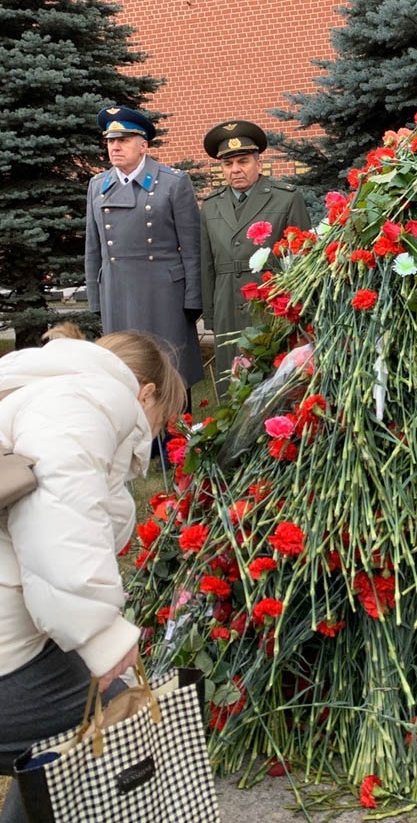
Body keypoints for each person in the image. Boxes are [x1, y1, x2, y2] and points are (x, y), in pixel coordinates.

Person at [0, 324, 186, 823]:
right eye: (161, 420)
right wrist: (102, 637)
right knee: (116, 719)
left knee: (67, 747)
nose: (157, 435)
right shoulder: (87, 401)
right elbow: (57, 519)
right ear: (144, 394)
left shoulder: (43, 388)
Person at [85, 105, 204, 393]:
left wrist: (193, 301)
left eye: (123, 140)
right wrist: (95, 300)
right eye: (111, 142)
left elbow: (192, 247)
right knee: (125, 372)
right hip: (117, 293)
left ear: (143, 145)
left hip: (164, 295)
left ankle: (176, 436)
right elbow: (94, 248)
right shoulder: (97, 185)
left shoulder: (173, 183)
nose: (115, 147)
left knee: (170, 372)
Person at [200, 120, 312, 383]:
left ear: (259, 164)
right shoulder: (211, 206)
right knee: (232, 380)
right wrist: (211, 314)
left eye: (243, 161)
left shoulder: (286, 197)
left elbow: (302, 257)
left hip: (269, 302)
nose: (235, 170)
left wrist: (299, 308)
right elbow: (207, 264)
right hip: (227, 302)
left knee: (273, 377)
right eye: (228, 164)